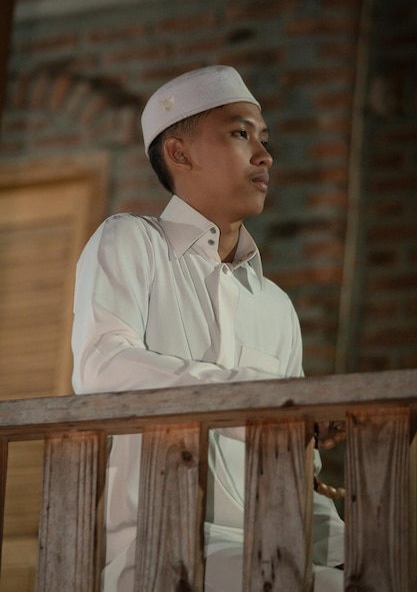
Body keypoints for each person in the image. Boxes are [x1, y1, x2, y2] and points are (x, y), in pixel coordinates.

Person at [71, 65, 344, 591]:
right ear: (180, 153)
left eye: (264, 140)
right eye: (241, 134)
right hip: (160, 544)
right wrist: (253, 397)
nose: (265, 156)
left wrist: (346, 546)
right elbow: (102, 364)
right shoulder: (130, 241)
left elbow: (297, 461)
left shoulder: (275, 305)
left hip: (274, 543)